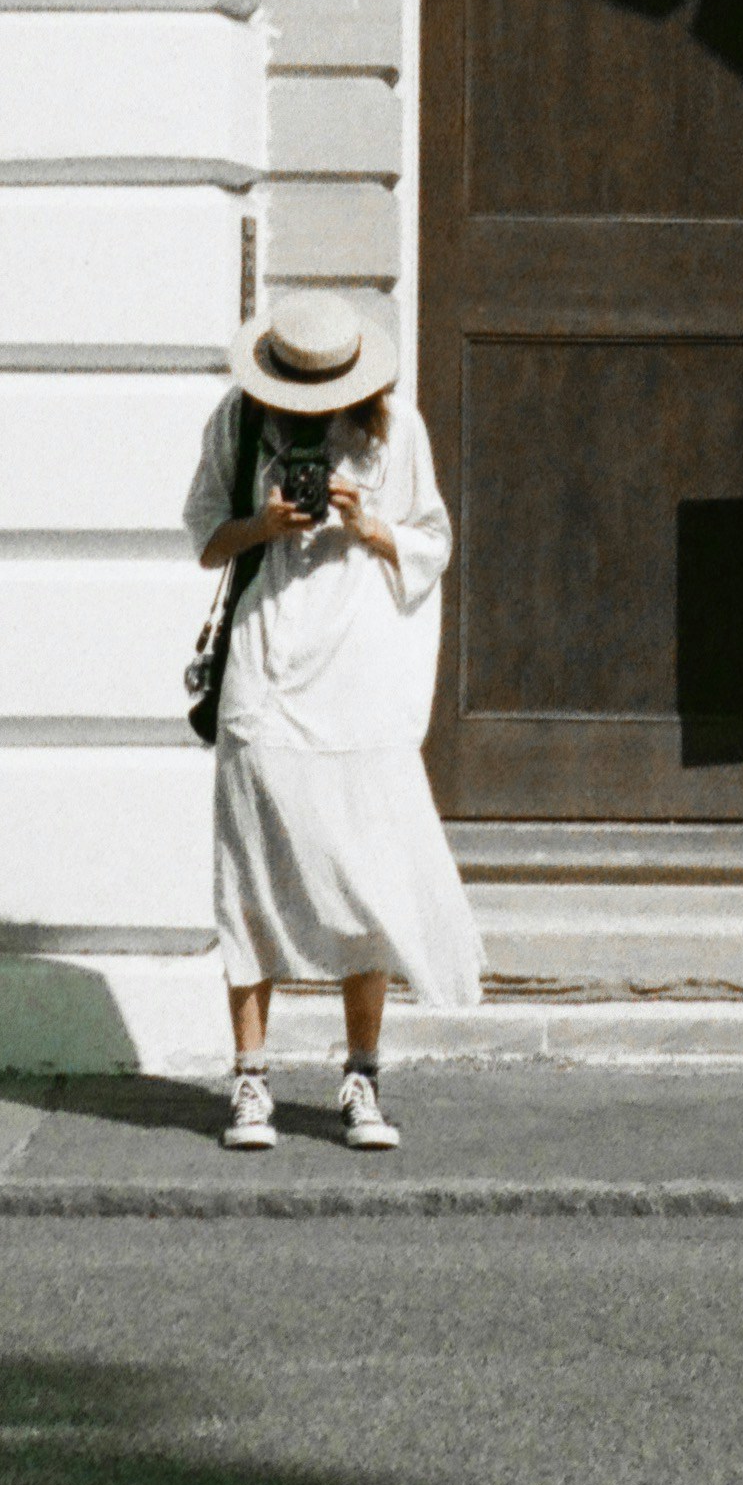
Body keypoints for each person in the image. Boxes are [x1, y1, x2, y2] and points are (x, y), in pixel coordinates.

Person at [189, 296, 479, 1152]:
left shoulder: (396, 431)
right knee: (249, 879)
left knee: (366, 877)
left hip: (362, 684)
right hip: (265, 675)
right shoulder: (239, 421)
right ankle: (249, 1081)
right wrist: (262, 524)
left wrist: (368, 521)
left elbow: (433, 542)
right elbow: (206, 536)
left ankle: (361, 1075)